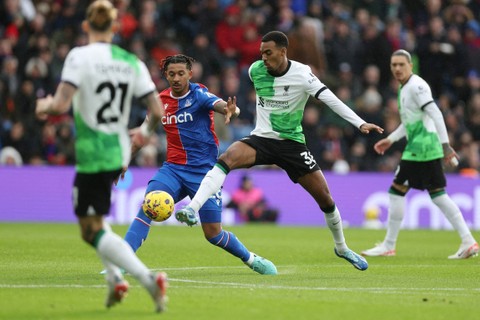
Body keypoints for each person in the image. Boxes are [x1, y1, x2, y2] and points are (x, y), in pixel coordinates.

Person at [176, 31, 385, 271]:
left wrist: (360, 123)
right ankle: (192, 209)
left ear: (283, 52)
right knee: (227, 157)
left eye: (269, 53)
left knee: (325, 199)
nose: (263, 58)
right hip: (262, 138)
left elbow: (330, 99)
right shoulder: (255, 71)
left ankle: (341, 247)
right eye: (261, 53)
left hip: (291, 144)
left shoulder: (303, 75)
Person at [35, 1, 168, 312]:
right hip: (118, 150)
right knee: (98, 219)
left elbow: (59, 105)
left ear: (85, 26)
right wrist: (143, 136)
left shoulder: (79, 57)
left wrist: (43, 106)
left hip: (92, 152)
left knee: (88, 228)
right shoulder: (130, 61)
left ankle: (147, 279)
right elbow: (158, 111)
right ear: (115, 28)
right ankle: (114, 282)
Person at [122, 54, 277, 275]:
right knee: (149, 205)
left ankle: (251, 259)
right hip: (173, 170)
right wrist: (125, 160)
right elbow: (143, 134)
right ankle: (121, 263)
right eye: (171, 74)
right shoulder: (160, 102)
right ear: (166, 75)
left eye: (181, 73)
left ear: (190, 74)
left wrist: (232, 109)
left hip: (205, 174)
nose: (176, 78)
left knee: (213, 234)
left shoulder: (199, 95)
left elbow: (222, 105)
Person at [361, 49, 479, 259]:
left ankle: (389, 245)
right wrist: (392, 139)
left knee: (397, 191)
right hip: (421, 148)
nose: (397, 68)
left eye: (401, 64)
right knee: (438, 195)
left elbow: (435, 113)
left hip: (422, 149)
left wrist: (446, 146)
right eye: (394, 65)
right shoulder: (404, 88)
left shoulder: (416, 86)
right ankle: (468, 241)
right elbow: (411, 123)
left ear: (410, 66)